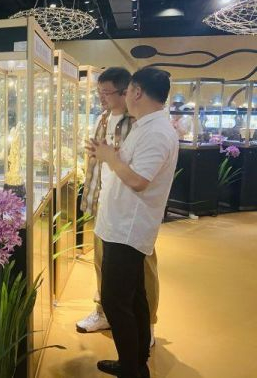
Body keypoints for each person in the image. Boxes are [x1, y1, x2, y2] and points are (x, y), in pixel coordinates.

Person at [86, 68, 179, 378]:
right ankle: (135, 362)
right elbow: (130, 166)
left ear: (137, 92)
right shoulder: (146, 126)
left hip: (128, 229)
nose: (124, 96)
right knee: (134, 296)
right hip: (119, 224)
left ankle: (132, 368)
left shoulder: (157, 132)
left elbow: (139, 180)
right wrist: (109, 155)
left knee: (115, 301)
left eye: (127, 91)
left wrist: (110, 158)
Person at [78, 67, 161, 346]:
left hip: (131, 212)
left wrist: (109, 157)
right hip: (105, 204)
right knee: (102, 262)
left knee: (141, 271)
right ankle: (104, 311)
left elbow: (139, 175)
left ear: (127, 92)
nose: (101, 98)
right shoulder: (103, 118)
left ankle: (146, 323)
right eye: (99, 92)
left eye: (106, 92)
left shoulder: (139, 124)